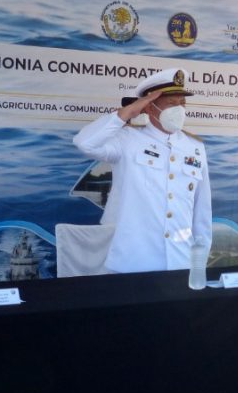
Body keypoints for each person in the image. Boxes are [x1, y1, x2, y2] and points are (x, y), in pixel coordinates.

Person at [73, 68, 212, 274]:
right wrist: (127, 113)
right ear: (149, 107)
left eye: (182, 103)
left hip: (181, 260)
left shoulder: (194, 146)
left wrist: (199, 262)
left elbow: (202, 209)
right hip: (134, 261)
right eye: (171, 104)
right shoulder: (127, 139)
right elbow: (85, 143)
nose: (179, 110)